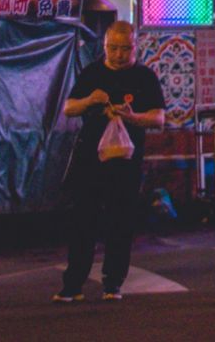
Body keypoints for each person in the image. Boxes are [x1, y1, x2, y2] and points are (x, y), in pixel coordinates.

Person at [53, 22, 164, 304]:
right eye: (112, 48)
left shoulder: (145, 77)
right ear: (104, 46)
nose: (117, 54)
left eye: (124, 49)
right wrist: (91, 99)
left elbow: (159, 118)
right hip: (90, 159)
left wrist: (133, 118)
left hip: (126, 161)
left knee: (121, 222)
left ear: (135, 46)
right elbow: (69, 107)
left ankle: (113, 283)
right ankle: (73, 284)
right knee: (82, 221)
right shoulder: (92, 72)